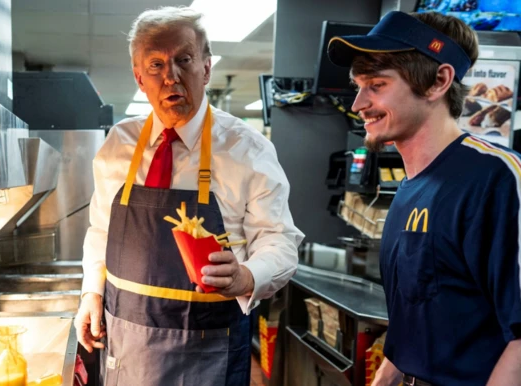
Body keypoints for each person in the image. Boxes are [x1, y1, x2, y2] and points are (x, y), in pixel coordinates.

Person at [74, 6, 304, 385]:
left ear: (207, 68)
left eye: (184, 60)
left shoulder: (248, 149)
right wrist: (91, 293)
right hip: (126, 347)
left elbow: (280, 242)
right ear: (139, 77)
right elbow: (101, 230)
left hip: (208, 350)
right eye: (155, 65)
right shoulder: (118, 144)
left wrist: (247, 276)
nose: (171, 77)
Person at [328, 10, 521, 386]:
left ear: (438, 82)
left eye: (377, 85)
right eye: (358, 86)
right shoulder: (408, 190)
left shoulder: (496, 177)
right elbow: (415, 324)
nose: (357, 104)